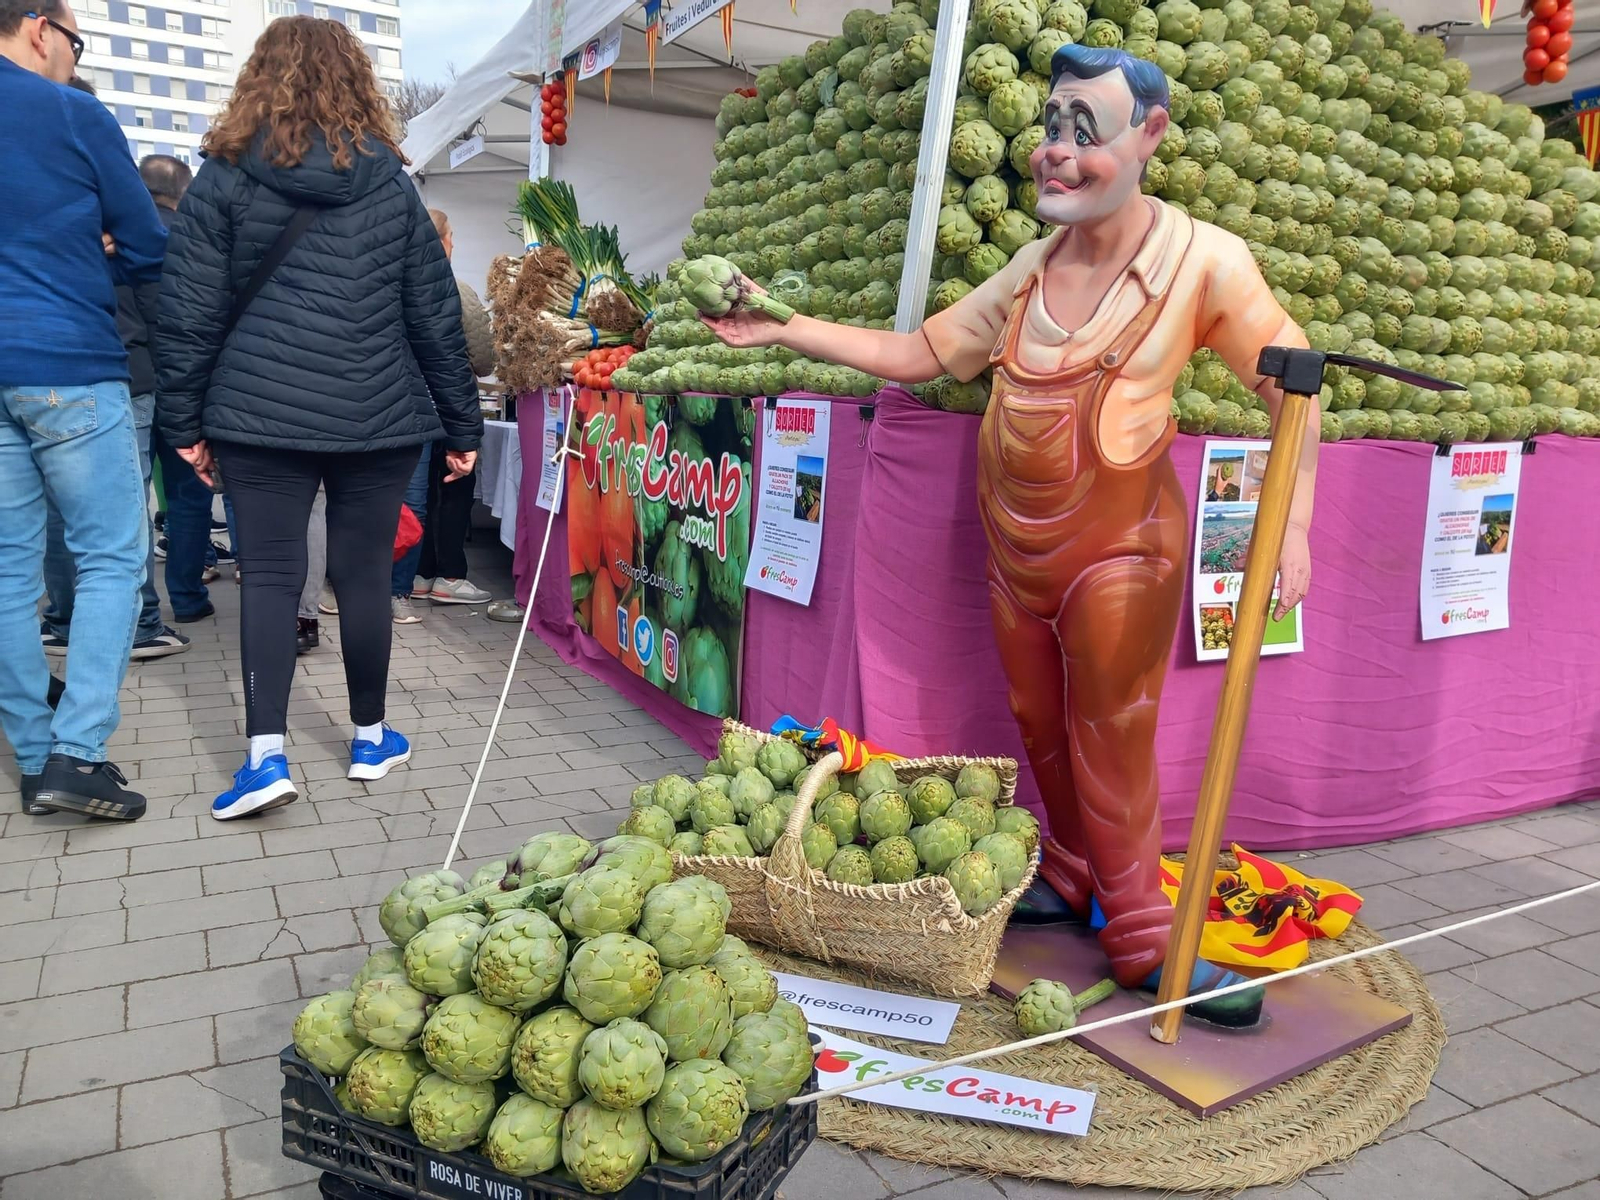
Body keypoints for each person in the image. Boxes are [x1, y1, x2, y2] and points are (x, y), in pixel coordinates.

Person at [702, 46, 1318, 1025]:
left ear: (1149, 136)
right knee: (1040, 724)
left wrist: (1290, 526)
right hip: (1017, 554)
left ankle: (1143, 936)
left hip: (1123, 552)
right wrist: (783, 325)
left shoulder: (1202, 261)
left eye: (1086, 131)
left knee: (1109, 734)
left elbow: (1292, 386)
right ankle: (1074, 873)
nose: (1055, 153)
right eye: (1050, 127)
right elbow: (920, 353)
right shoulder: (1030, 270)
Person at [156, 14, 482, 821]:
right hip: (377, 417)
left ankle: (264, 758)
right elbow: (434, 314)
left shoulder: (223, 177)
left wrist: (184, 423)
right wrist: (462, 426)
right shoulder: (391, 184)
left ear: (259, 78)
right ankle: (370, 739)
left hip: (258, 414)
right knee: (364, 576)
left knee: (270, 579)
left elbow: (187, 312)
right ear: (356, 81)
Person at [1, 0, 167, 821]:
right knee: (110, 559)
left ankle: (35, 754)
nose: (74, 55)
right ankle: (76, 753)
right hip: (65, 358)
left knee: (6, 573)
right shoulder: (71, 112)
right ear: (40, 27)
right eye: (76, 39)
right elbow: (147, 245)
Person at [41, 149, 194, 660]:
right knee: (127, 508)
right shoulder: (138, 240)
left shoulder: (57, 225)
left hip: (53, 377)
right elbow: (164, 317)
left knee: (63, 508)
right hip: (129, 380)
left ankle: (63, 620)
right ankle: (143, 623)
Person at [410, 207, 495, 608]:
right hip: (451, 405)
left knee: (418, 491)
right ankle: (450, 576)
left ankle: (418, 574)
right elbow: (482, 358)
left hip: (409, 409)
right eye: (452, 236)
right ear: (440, 241)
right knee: (455, 490)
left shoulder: (392, 285)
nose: (455, 243)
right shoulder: (456, 290)